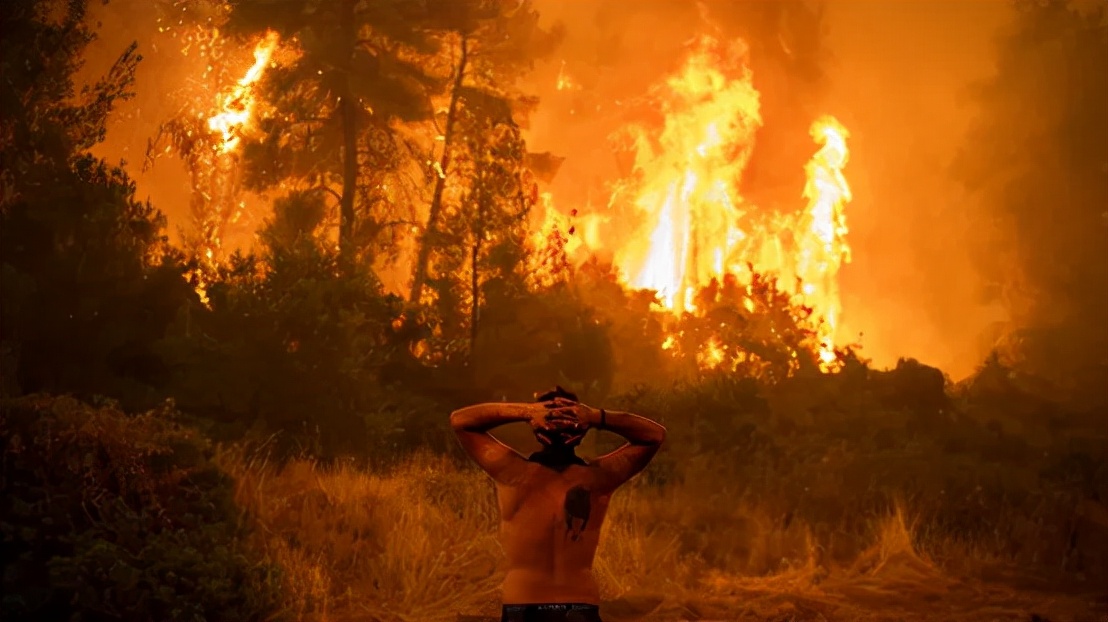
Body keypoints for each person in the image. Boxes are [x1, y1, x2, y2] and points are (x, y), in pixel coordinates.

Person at [450, 386, 667, 622]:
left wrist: (586, 415)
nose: (560, 423)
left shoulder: (512, 472)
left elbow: (462, 422)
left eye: (567, 417)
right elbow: (652, 436)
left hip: (534, 606)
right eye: (553, 416)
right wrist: (590, 417)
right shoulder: (598, 478)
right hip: (570, 607)